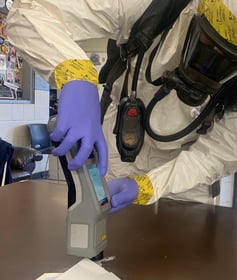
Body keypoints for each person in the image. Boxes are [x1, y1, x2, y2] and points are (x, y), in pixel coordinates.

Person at [6, 0, 237, 213]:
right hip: (118, 158)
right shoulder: (153, 6)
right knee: (99, 243)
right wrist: (76, 73)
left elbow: (217, 154)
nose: (210, 60)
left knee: (183, 251)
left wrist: (150, 185)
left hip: (186, 181)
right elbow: (29, 10)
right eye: (207, 41)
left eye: (228, 58)